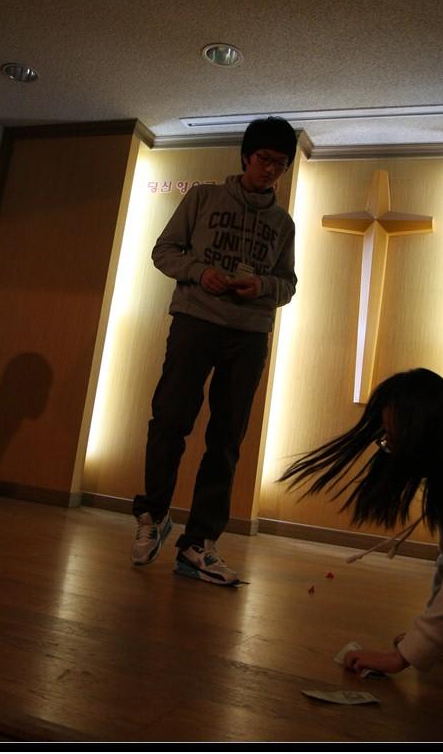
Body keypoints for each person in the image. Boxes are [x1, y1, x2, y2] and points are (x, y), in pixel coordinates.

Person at [278, 368, 443, 696]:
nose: (389, 447)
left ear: (422, 433)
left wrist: (400, 658)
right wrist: (421, 641)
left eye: (394, 439)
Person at [131, 116, 298, 585]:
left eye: (280, 164)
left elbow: (288, 284)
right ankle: (154, 515)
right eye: (265, 159)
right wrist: (199, 271)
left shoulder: (283, 223)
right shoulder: (203, 197)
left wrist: (261, 285)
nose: (271, 170)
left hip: (249, 335)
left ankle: (198, 543)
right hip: (195, 321)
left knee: (226, 439)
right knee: (169, 419)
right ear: (246, 156)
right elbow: (164, 251)